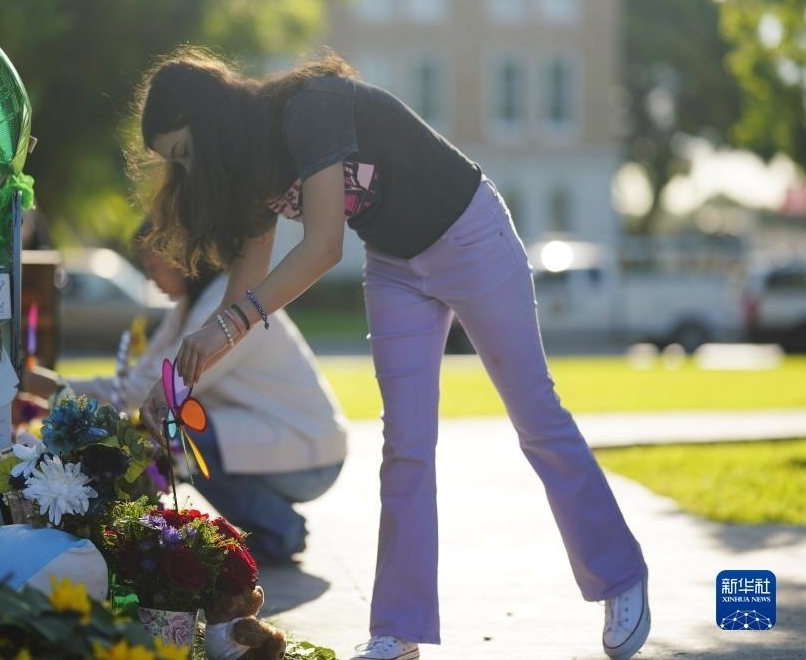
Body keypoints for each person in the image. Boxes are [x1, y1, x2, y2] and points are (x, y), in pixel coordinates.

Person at [131, 46, 651, 660]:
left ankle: (620, 576)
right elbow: (243, 291)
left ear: (206, 119)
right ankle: (398, 629)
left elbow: (323, 247)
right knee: (405, 445)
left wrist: (228, 325)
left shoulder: (306, 109)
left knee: (537, 417)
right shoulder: (250, 168)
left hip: (470, 234)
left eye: (184, 153)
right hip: (396, 266)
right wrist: (175, 381)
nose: (186, 171)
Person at [28, 228, 348, 564]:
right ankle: (269, 526)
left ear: (179, 257)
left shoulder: (227, 303)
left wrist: (48, 386)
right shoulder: (191, 306)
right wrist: (50, 388)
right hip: (278, 443)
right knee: (170, 433)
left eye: (152, 267)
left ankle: (281, 531)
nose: (150, 279)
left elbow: (145, 392)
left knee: (175, 436)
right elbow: (138, 382)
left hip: (311, 456)